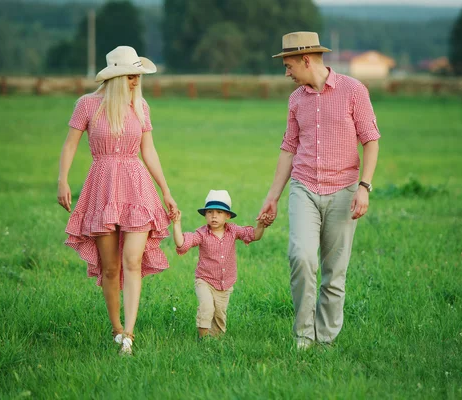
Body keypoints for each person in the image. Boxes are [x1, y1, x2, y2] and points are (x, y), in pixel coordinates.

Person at [257, 32, 380, 349]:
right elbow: (289, 147)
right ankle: (303, 335)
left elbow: (371, 140)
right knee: (300, 257)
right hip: (304, 188)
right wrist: (272, 196)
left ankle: (325, 340)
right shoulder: (296, 99)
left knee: (334, 272)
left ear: (305, 60)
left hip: (344, 191)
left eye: (288, 65)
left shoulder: (354, 91)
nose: (286, 73)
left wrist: (364, 187)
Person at [57, 46, 177, 356]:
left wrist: (165, 190)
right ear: (116, 76)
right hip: (101, 187)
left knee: (133, 260)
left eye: (139, 74)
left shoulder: (141, 106)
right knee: (110, 268)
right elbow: (70, 145)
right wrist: (62, 180)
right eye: (132, 74)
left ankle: (131, 333)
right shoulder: (87, 105)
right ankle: (116, 328)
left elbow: (148, 150)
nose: (137, 79)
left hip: (136, 187)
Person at [171, 190, 266, 339]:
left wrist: (261, 225)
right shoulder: (202, 234)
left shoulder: (233, 231)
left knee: (220, 315)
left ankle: (215, 341)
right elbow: (182, 244)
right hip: (205, 280)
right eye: (210, 212)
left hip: (225, 283)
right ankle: (202, 340)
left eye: (219, 212)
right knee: (206, 307)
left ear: (227, 216)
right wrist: (177, 224)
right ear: (205, 215)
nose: (214, 216)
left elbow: (253, 235)